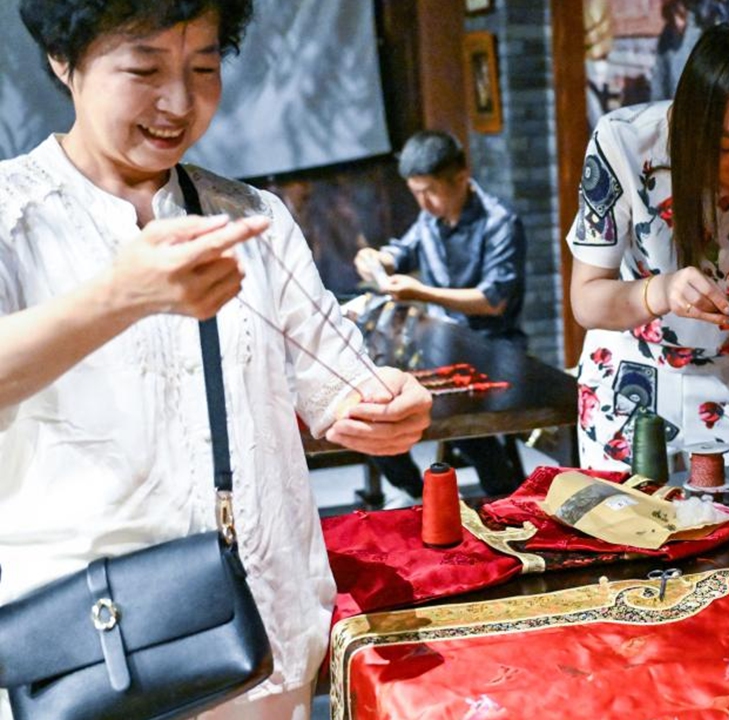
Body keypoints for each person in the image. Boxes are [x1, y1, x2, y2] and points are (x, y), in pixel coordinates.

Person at [0, 2, 432, 718]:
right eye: (143, 69)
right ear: (62, 61)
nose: (179, 102)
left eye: (204, 67)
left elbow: (339, 382)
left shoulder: (248, 218)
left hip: (262, 642)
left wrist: (386, 405)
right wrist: (118, 297)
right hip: (86, 657)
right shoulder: (13, 218)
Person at [569, 23, 729, 470]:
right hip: (629, 385)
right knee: (630, 534)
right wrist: (661, 292)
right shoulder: (625, 142)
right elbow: (587, 300)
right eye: (726, 146)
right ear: (693, 119)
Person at [354, 131, 526, 495]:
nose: (424, 202)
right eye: (416, 192)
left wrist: (420, 292)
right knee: (372, 398)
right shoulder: (430, 219)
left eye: (430, 191)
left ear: (461, 177)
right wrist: (375, 260)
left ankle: (505, 493)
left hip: (491, 344)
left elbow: (492, 301)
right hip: (439, 342)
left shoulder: (499, 221)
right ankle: (416, 493)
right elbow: (401, 252)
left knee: (454, 415)